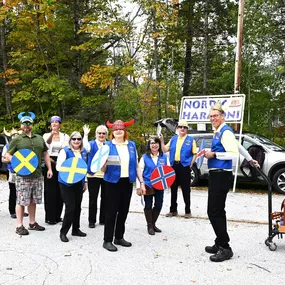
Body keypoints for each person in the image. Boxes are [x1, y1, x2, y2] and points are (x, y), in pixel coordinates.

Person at [5, 112, 53, 236]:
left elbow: (45, 154)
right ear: (21, 125)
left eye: (28, 123)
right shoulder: (17, 139)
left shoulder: (39, 138)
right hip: (22, 175)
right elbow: (8, 155)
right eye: (24, 123)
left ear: (32, 124)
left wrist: (49, 169)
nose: (26, 125)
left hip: (37, 175)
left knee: (33, 200)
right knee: (21, 201)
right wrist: (18, 162)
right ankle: (19, 225)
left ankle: (32, 223)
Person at [102, 119, 145, 252]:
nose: (118, 131)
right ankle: (107, 240)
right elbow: (102, 169)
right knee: (111, 211)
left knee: (124, 210)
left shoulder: (131, 145)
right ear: (112, 132)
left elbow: (137, 166)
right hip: (112, 182)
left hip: (127, 182)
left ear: (125, 131)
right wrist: (103, 164)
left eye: (120, 129)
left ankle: (119, 237)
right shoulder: (107, 146)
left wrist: (141, 183)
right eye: (115, 129)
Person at [204, 101, 239, 262]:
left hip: (221, 175)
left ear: (223, 116)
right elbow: (237, 147)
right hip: (217, 174)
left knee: (214, 211)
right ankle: (220, 242)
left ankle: (225, 247)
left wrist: (213, 155)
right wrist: (252, 159)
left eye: (216, 115)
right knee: (219, 210)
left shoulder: (225, 132)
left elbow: (233, 153)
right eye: (211, 116)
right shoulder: (218, 131)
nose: (213, 118)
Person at [160, 120, 197, 218]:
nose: (182, 129)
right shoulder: (173, 139)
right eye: (180, 127)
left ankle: (188, 211)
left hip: (184, 166)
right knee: (173, 189)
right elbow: (164, 150)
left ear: (187, 129)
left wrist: (191, 164)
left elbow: (195, 153)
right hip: (174, 166)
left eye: (184, 127)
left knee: (186, 189)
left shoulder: (190, 140)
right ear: (177, 128)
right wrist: (162, 141)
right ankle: (173, 210)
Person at [56, 131, 87, 242]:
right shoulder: (65, 151)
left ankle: (76, 229)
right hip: (66, 182)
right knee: (70, 207)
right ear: (70, 141)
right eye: (74, 139)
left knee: (78, 206)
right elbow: (59, 167)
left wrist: (85, 182)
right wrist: (70, 176)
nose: (76, 141)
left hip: (79, 183)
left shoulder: (83, 152)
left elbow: (84, 169)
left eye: (79, 139)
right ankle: (63, 232)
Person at [136, 136, 170, 235]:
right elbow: (139, 172)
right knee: (148, 205)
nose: (154, 145)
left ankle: (153, 223)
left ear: (159, 145)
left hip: (160, 185)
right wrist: (139, 186)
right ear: (149, 145)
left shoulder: (164, 157)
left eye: (156, 143)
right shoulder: (144, 157)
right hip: (147, 184)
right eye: (152, 143)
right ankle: (150, 226)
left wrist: (167, 183)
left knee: (159, 205)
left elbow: (169, 171)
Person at [43, 116, 69, 225]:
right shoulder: (46, 135)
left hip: (62, 163)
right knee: (50, 191)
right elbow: (45, 147)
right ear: (50, 125)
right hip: (50, 162)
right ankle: (50, 217)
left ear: (60, 124)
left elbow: (66, 148)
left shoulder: (65, 136)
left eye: (56, 122)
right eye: (52, 122)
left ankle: (58, 216)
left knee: (60, 190)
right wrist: (52, 134)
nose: (54, 124)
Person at [83, 124, 108, 228]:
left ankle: (103, 219)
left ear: (106, 134)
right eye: (99, 133)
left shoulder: (109, 145)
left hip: (106, 175)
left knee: (105, 198)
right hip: (93, 175)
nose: (101, 135)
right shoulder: (91, 144)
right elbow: (85, 148)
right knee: (93, 199)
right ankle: (91, 221)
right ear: (96, 134)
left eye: (103, 133)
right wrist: (85, 135)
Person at [2, 127, 29, 219]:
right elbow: (3, 159)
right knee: (13, 191)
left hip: (22, 171)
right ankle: (12, 211)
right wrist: (13, 160)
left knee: (21, 191)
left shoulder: (22, 145)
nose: (15, 137)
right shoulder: (7, 146)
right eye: (13, 135)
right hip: (12, 171)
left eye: (17, 135)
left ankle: (21, 210)